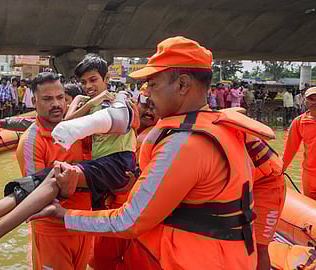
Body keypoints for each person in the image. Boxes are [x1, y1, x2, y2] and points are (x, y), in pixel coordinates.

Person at [27, 37, 277, 270]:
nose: (146, 92)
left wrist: (65, 216)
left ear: (182, 85)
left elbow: (129, 220)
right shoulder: (220, 127)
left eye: (153, 84)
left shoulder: (183, 144)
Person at [0, 71, 138, 269]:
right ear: (34, 102)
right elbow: (34, 198)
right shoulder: (31, 141)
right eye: (47, 99)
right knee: (49, 180)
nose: (56, 104)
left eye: (60, 97)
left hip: (82, 223)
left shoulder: (80, 130)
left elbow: (99, 170)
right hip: (52, 232)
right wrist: (67, 189)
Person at [283, 87, 316, 200]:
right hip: (310, 175)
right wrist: (281, 169)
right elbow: (290, 149)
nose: (314, 102)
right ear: (305, 101)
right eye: (311, 99)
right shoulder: (299, 122)